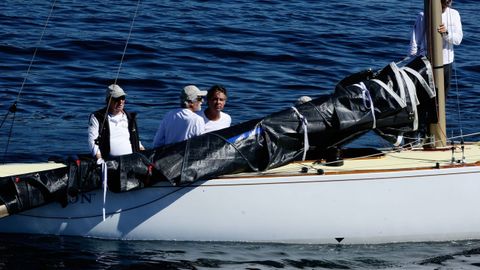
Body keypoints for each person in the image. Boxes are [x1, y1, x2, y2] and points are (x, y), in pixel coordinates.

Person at [409, 0, 463, 96]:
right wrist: (413, 65)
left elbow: (458, 40)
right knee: (425, 97)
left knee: (442, 96)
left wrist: (446, 34)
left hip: (447, 63)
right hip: (426, 63)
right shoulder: (423, 15)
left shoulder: (454, 14)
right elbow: (415, 41)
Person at [88, 84, 145, 164]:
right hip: (109, 162)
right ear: (108, 100)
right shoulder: (98, 117)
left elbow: (135, 140)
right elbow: (93, 142)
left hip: (132, 162)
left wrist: (144, 153)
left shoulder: (130, 118)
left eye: (123, 98)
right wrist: (100, 161)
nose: (121, 102)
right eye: (117, 99)